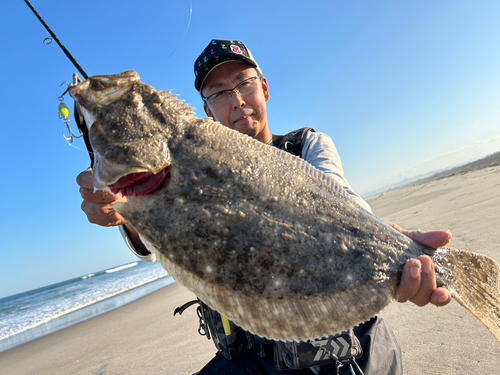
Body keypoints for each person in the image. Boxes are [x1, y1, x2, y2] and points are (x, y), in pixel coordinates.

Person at [76, 39, 452, 374]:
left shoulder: (308, 146)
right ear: (207, 110)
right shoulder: (174, 171)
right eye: (220, 93)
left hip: (347, 352)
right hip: (248, 358)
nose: (236, 100)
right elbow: (153, 243)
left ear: (264, 88)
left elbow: (343, 200)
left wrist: (390, 245)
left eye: (244, 83)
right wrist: (121, 213)